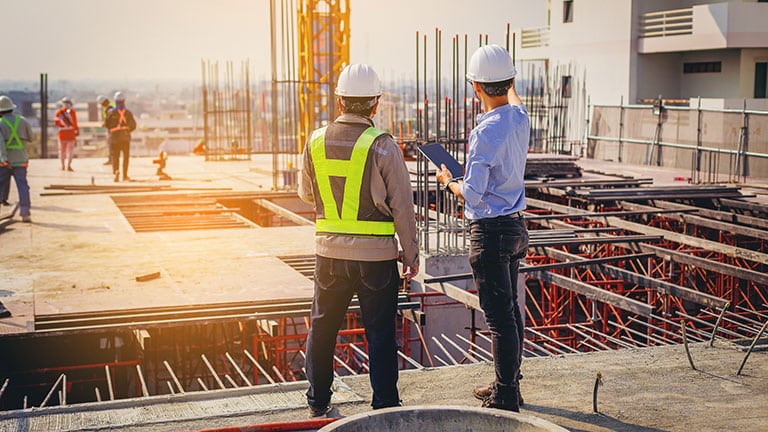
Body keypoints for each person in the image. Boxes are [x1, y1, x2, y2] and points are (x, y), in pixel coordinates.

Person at [298, 63, 419, 417]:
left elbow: (306, 194)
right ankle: (384, 405)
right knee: (380, 333)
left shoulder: (315, 141)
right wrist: (410, 255)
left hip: (329, 256)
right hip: (376, 260)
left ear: (339, 101)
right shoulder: (383, 146)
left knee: (323, 327)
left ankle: (318, 400)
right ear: (375, 104)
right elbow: (403, 206)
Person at [436, 44, 530, 412]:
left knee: (499, 318)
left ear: (475, 86)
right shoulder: (519, 118)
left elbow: (472, 194)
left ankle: (505, 395)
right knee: (510, 312)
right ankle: (508, 384)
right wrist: (508, 80)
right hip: (515, 228)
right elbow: (515, 99)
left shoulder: (485, 131)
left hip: (490, 232)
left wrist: (448, 180)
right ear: (509, 81)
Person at [0, 95, 34, 222]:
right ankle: (25, 213)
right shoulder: (23, 121)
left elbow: (0, 144)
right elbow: (31, 138)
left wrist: (4, 158)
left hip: (5, 161)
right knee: (23, 186)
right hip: (21, 159)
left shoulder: (1, 123)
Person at [105, 91, 136, 182]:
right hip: (125, 138)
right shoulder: (128, 113)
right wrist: (127, 130)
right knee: (126, 157)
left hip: (114, 138)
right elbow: (133, 125)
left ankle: (116, 171)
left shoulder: (110, 112)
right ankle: (125, 175)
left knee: (115, 156)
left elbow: (106, 124)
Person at [54, 97, 79, 171]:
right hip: (71, 134)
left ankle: (62, 165)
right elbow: (75, 123)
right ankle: (69, 166)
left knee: (62, 151)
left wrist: (62, 125)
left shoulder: (59, 112)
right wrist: (77, 130)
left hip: (62, 134)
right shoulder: (72, 112)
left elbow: (56, 122)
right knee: (70, 151)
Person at [97, 95, 115, 165]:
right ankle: (111, 159)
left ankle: (112, 160)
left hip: (112, 129)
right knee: (111, 144)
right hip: (111, 128)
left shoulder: (110, 107)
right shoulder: (109, 106)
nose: (101, 106)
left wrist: (105, 124)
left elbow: (110, 119)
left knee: (111, 144)